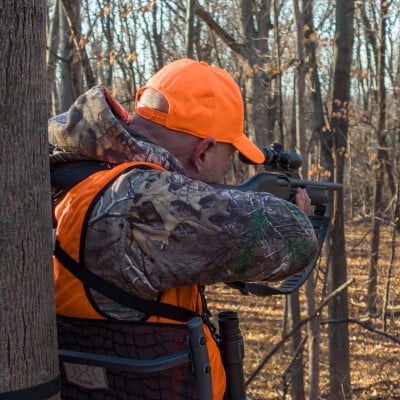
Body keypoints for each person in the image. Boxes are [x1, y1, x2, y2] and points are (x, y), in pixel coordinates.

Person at [50, 58, 318, 400]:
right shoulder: (145, 201)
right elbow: (292, 240)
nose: (224, 170)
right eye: (227, 153)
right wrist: (297, 214)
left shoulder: (67, 167)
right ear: (204, 151)